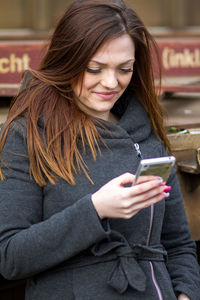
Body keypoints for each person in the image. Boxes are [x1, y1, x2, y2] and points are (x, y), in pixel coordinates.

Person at [0, 0, 199, 299]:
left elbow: (179, 245)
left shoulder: (146, 133)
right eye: (95, 68)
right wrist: (95, 210)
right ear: (68, 59)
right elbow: (10, 256)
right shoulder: (28, 133)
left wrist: (184, 294)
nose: (110, 82)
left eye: (124, 69)